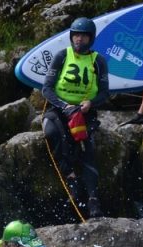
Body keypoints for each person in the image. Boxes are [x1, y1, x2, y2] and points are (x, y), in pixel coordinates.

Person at [41, 17, 110, 219]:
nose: (79, 40)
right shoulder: (62, 56)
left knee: (87, 146)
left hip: (85, 113)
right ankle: (70, 178)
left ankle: (93, 199)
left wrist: (90, 103)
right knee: (52, 133)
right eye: (76, 36)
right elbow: (46, 88)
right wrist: (64, 106)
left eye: (84, 36)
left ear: (91, 39)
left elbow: (105, 93)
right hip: (59, 109)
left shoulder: (99, 61)